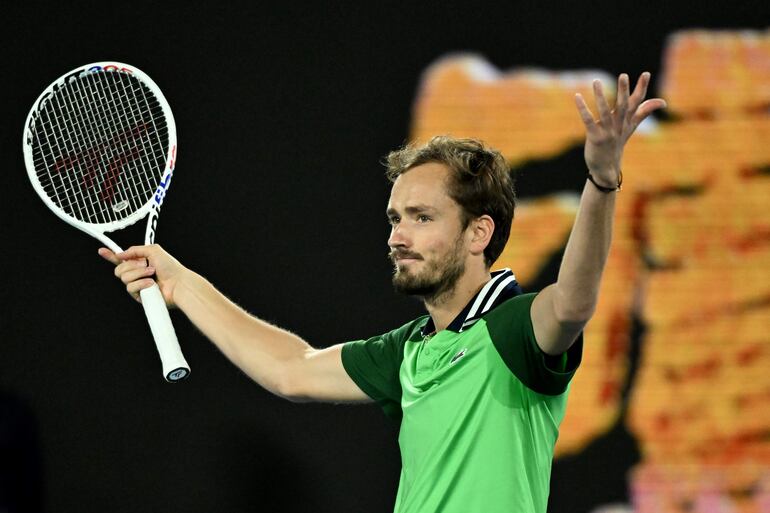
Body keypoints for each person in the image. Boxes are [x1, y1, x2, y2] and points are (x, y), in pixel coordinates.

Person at [99, 72, 665, 513]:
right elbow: (291, 369)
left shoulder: (515, 332)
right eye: (395, 218)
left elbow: (574, 301)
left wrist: (601, 180)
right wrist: (181, 284)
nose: (397, 236)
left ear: (479, 232)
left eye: (421, 217)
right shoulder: (408, 351)